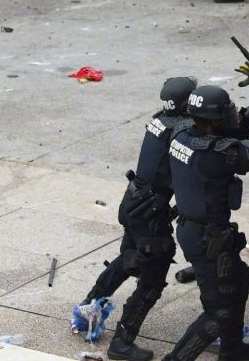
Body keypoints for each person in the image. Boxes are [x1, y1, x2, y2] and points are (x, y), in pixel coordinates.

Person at [74, 77, 197, 361]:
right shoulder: (182, 130)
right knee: (152, 279)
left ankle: (87, 310)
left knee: (130, 258)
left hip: (134, 202)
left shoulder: (160, 120)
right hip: (150, 211)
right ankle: (122, 343)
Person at [162, 85, 249, 361]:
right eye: (227, 110)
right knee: (218, 312)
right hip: (209, 240)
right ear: (214, 120)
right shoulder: (220, 154)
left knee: (238, 280)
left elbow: (220, 139)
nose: (232, 113)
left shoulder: (180, 133)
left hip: (194, 230)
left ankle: (232, 349)